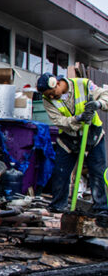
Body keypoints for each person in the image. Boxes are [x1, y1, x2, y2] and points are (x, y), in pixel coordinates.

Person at [38, 71, 108, 213]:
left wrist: (98, 104)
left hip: (93, 134)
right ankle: (58, 206)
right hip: (69, 138)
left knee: (97, 172)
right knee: (60, 172)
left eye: (52, 92)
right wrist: (78, 119)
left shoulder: (83, 85)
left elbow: (105, 94)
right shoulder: (48, 100)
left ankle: (101, 208)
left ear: (57, 83)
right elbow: (59, 121)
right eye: (48, 95)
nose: (51, 97)